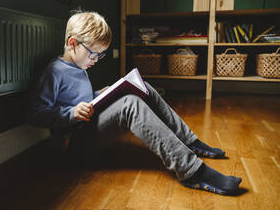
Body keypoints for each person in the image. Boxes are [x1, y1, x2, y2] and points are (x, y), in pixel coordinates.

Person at [26, 11, 242, 195]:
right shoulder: (55, 71)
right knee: (130, 104)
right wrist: (70, 113)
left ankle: (189, 142)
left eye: (100, 55)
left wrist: (97, 94)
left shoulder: (80, 67)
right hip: (73, 144)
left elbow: (77, 97)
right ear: (73, 43)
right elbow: (35, 112)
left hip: (86, 129)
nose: (95, 60)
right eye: (94, 54)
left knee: (143, 87)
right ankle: (192, 171)